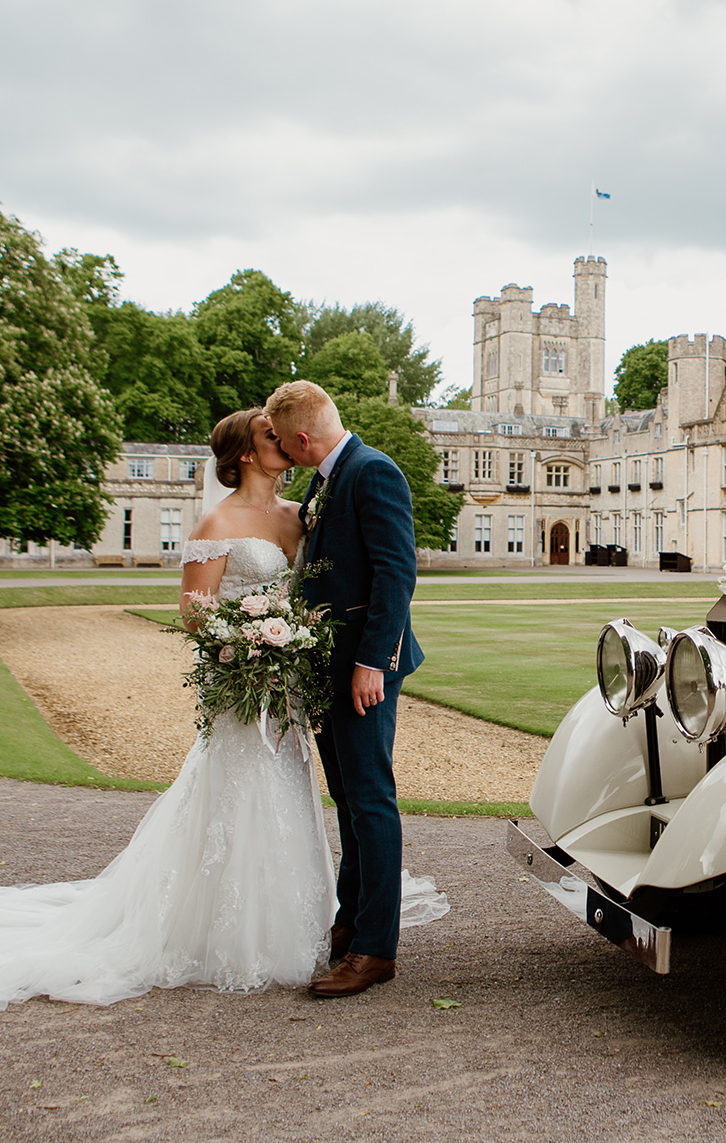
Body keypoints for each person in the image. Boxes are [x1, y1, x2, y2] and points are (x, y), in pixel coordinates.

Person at [0, 409, 445, 1014]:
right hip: (249, 681)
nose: (282, 445)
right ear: (245, 453)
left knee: (327, 799)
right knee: (275, 798)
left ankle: (327, 930)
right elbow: (194, 612)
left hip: (301, 680)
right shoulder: (219, 523)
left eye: (282, 433)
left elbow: (355, 574)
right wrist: (247, 644)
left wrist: (302, 642)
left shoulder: (305, 509)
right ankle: (277, 931)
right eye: (269, 437)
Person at [266, 381, 423, 1000]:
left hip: (364, 669)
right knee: (350, 802)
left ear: (302, 438)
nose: (280, 451)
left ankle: (374, 949)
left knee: (370, 799)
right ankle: (349, 922)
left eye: (282, 441)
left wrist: (372, 663)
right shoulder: (324, 479)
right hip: (331, 663)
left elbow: (396, 572)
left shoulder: (372, 471)